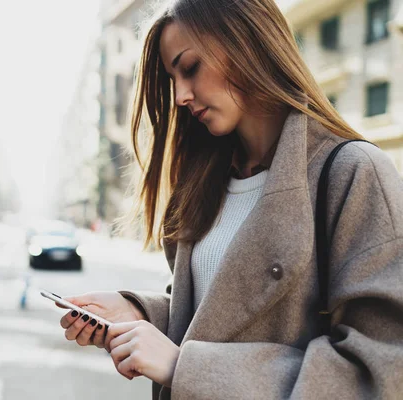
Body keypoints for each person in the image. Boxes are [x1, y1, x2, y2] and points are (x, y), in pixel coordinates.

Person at [58, 0, 403, 398]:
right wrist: (139, 313)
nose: (180, 96)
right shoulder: (209, 180)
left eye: (190, 68)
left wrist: (184, 367)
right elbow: (220, 315)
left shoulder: (353, 172)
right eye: (173, 78)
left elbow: (382, 370)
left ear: (246, 43)